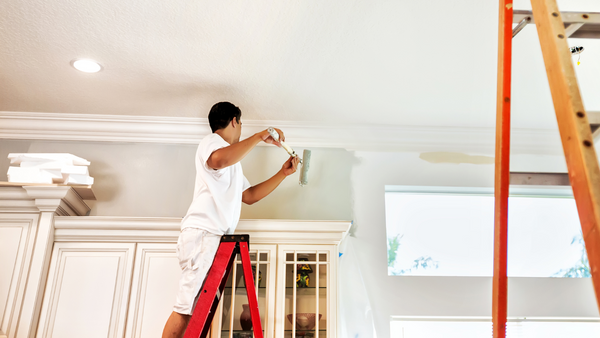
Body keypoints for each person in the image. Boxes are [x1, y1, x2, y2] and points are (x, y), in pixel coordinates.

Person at [162, 102, 300, 338]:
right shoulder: (213, 142)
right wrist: (258, 136)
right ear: (234, 121)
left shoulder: (232, 165)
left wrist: (283, 174)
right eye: (241, 124)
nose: (241, 129)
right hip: (203, 232)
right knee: (185, 309)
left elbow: (249, 196)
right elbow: (219, 160)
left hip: (211, 236)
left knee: (195, 311)